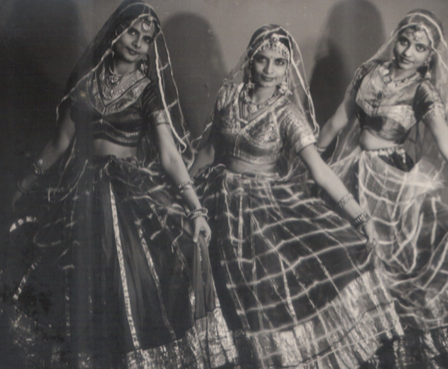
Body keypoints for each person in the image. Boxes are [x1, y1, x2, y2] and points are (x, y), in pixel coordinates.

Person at [1, 1, 236, 367]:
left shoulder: (146, 91)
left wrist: (196, 208)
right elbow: (60, 143)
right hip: (80, 192)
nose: (137, 42)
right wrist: (27, 181)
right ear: (115, 30)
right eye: (132, 32)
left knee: (130, 282)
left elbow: (170, 157)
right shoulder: (85, 84)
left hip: (128, 194)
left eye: (146, 39)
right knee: (77, 282)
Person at [190, 24, 403, 369]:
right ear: (250, 59)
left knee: (261, 301)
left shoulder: (288, 113)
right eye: (262, 60)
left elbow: (320, 171)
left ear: (288, 68)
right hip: (215, 201)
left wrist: (360, 217)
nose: (269, 70)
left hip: (260, 213)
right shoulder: (227, 96)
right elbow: (208, 151)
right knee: (218, 298)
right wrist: (184, 194)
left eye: (278, 63)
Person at [317, 9, 448, 368]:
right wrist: (308, 161)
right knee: (346, 269)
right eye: (404, 41)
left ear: (430, 56)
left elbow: (447, 142)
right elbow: (336, 122)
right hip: (353, 172)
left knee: (391, 272)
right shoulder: (368, 72)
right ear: (394, 38)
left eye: (420, 47)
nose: (407, 51)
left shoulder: (422, 91)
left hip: (392, 182)